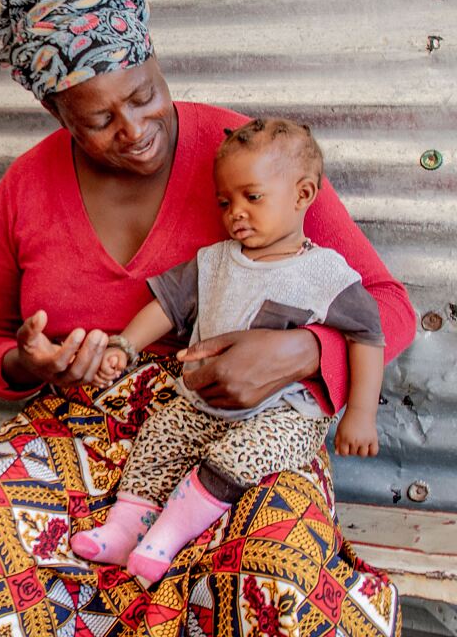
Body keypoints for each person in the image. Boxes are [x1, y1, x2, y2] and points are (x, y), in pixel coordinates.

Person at [0, 0, 415, 637]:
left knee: (272, 575)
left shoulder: (248, 158)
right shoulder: (24, 190)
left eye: (144, 94)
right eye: (98, 120)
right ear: (57, 115)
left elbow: (386, 303)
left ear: (156, 59)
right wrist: (26, 363)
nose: (134, 131)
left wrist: (303, 354)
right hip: (83, 432)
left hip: (251, 427)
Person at [70, 117, 389, 586]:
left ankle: (167, 535)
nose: (235, 212)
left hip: (284, 414)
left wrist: (360, 414)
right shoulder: (215, 260)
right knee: (161, 436)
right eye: (226, 201)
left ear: (302, 195)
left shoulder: (327, 273)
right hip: (204, 400)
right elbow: (166, 306)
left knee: (242, 455)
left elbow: (368, 335)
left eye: (252, 197)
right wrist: (125, 345)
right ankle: (123, 527)